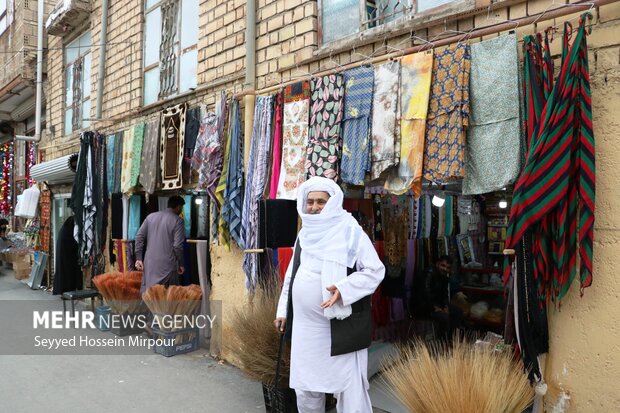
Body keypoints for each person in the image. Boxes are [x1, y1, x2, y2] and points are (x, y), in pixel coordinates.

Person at [274, 177, 385, 413]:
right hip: (306, 329)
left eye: (321, 202)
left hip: (339, 327)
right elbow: (292, 276)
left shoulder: (351, 232)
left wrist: (344, 289)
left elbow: (375, 271)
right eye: (310, 202)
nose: (314, 207)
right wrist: (283, 310)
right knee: (306, 388)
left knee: (348, 388)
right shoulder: (304, 235)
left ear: (333, 203)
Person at [135, 196, 185, 294]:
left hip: (150, 265)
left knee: (150, 295)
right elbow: (177, 246)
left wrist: (138, 258)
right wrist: (181, 264)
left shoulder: (150, 217)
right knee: (167, 298)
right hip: (167, 266)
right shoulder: (178, 221)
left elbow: (139, 237)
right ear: (179, 207)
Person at [423, 255, 464, 340]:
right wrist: (434, 307)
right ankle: (442, 344)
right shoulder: (429, 274)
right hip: (424, 306)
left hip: (438, 305)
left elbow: (445, 295)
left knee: (458, 312)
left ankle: (451, 339)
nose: (445, 269)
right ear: (437, 264)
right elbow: (425, 294)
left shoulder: (444, 277)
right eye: (443, 265)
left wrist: (445, 306)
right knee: (444, 317)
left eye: (448, 267)